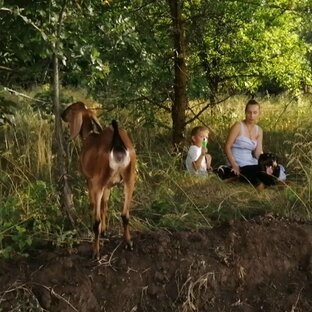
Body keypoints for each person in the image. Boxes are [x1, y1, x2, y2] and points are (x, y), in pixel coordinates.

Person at [219, 99, 285, 187]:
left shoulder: (259, 130)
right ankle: (267, 182)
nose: (251, 116)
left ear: (259, 114)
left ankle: (264, 181)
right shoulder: (238, 126)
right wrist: (234, 165)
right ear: (245, 112)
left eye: (255, 113)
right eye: (249, 112)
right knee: (257, 170)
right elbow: (227, 147)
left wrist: (266, 163)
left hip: (250, 161)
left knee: (276, 167)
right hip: (236, 161)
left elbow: (258, 153)